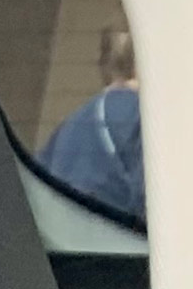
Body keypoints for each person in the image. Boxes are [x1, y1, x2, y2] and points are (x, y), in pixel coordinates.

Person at [38, 26, 144, 222]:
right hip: (118, 241)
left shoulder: (69, 124)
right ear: (141, 64)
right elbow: (153, 201)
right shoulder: (140, 115)